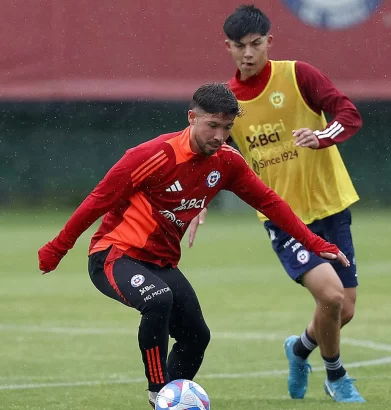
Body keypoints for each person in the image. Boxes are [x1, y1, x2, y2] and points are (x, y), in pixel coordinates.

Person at [37, 83, 349, 409]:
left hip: (161, 263)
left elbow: (269, 202)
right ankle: (159, 392)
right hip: (114, 255)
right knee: (158, 299)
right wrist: (57, 249)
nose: (219, 135)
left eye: (227, 127)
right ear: (191, 118)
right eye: (212, 125)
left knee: (196, 337)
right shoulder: (151, 156)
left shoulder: (227, 162)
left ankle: (168, 401)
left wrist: (313, 242)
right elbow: (97, 201)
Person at [187, 4, 365, 403]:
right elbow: (213, 157)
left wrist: (322, 137)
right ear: (227, 47)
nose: (248, 53)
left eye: (255, 44)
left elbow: (348, 114)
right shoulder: (227, 101)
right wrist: (198, 201)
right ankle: (336, 376)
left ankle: (299, 349)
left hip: (332, 206)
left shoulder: (298, 75)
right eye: (239, 46)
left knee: (344, 310)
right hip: (284, 218)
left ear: (270, 41)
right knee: (332, 298)